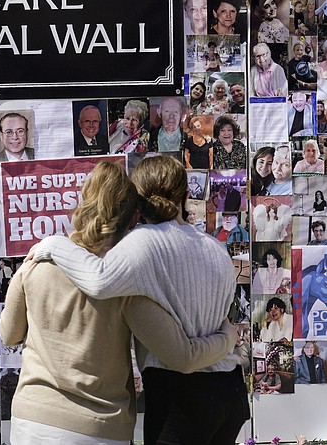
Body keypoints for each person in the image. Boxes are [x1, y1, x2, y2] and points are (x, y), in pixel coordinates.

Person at [31, 156, 247, 444]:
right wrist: (226, 340)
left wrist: (53, 244)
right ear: (185, 196)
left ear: (137, 202)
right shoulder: (215, 247)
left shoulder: (144, 242)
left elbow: (98, 280)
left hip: (181, 398)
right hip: (230, 391)